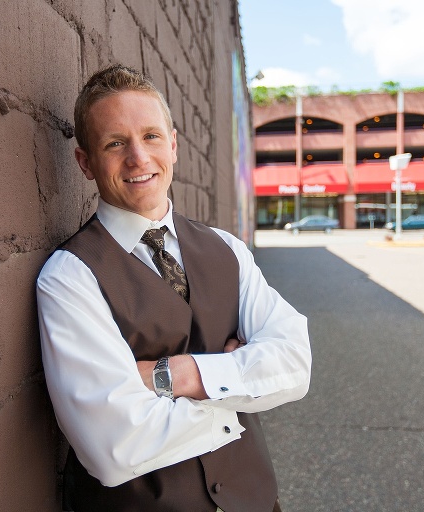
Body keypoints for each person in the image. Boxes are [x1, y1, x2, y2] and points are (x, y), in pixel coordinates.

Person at [36, 64, 311, 512]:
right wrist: (239, 380)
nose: (139, 158)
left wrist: (175, 376)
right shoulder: (69, 277)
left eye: (151, 136)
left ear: (174, 144)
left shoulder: (227, 249)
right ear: (85, 163)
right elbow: (115, 446)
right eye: (114, 143)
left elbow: (295, 364)